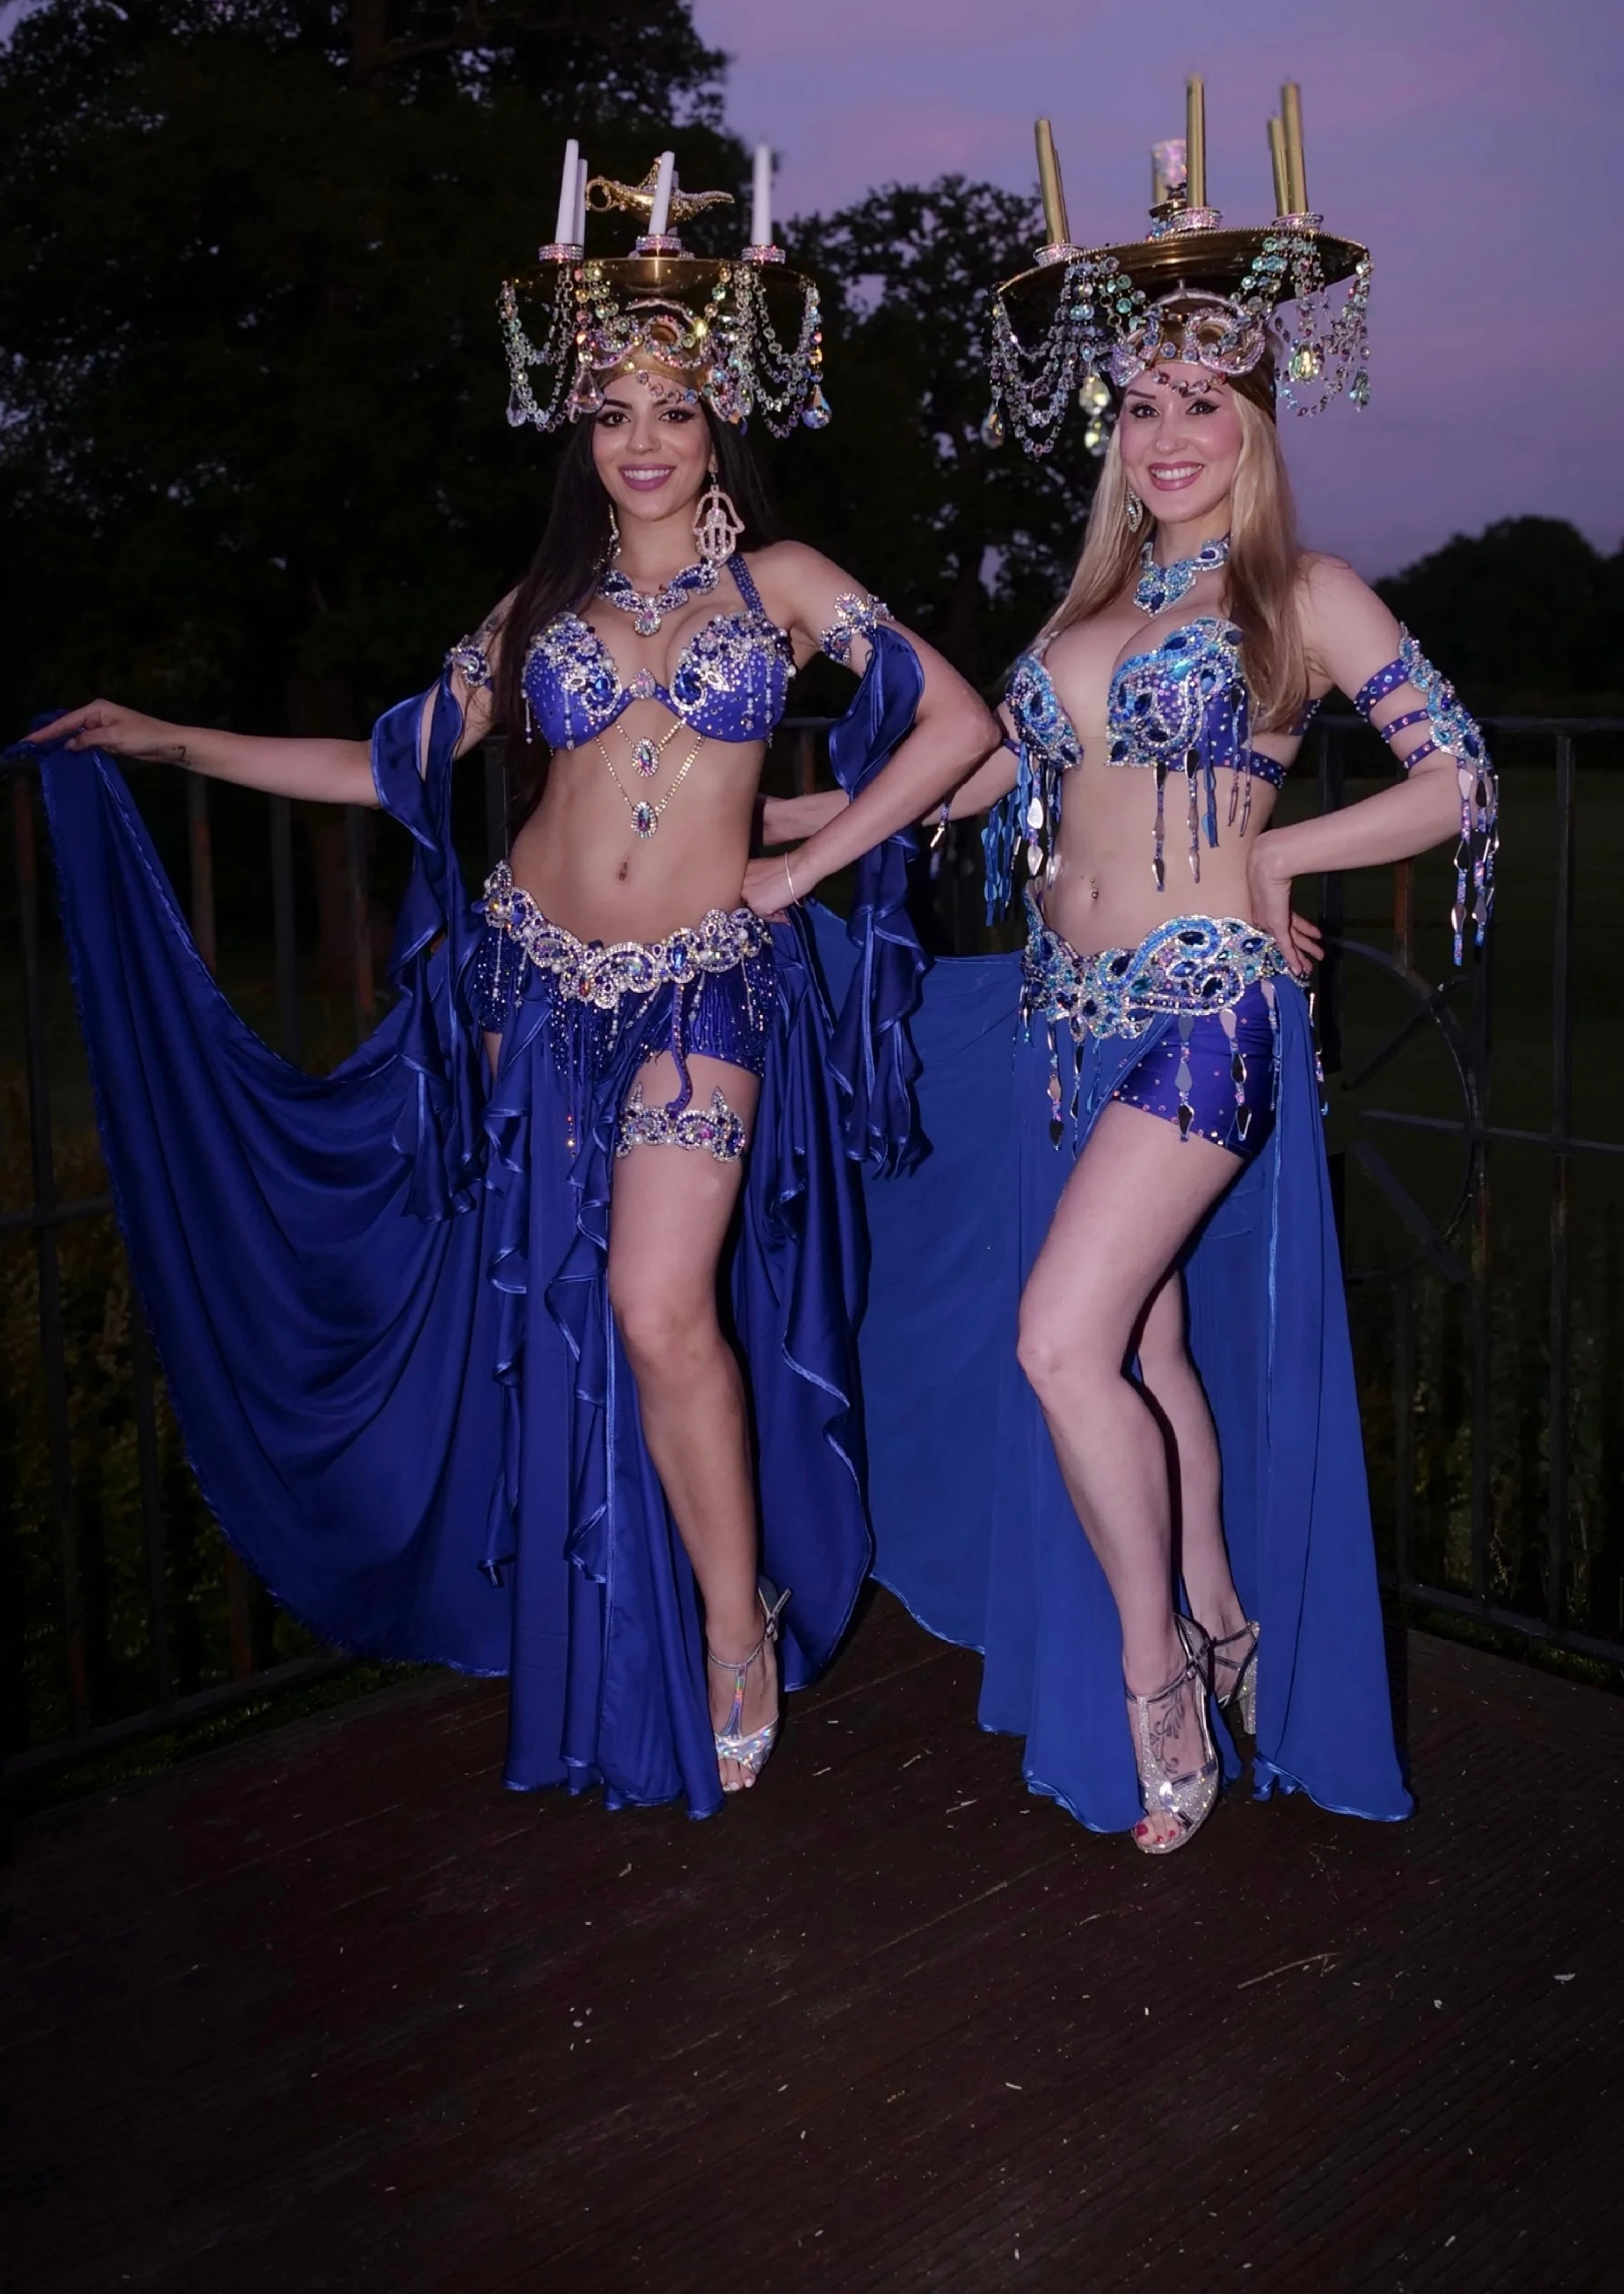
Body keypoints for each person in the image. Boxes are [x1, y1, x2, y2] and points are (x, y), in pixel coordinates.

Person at [22, 162, 997, 1813]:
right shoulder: (538, 602)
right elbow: (388, 760)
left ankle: (729, 1626)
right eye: (610, 405)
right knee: (546, 1312)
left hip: (706, 988)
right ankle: (585, 1604)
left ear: (718, 425)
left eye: (672, 406)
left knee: (655, 1304)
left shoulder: (790, 585)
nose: (638, 435)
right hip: (529, 984)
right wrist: (170, 736)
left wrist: (797, 863)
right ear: (577, 425)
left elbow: (959, 733)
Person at [783, 114, 1495, 1850]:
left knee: (1057, 1341)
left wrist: (1270, 865)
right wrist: (776, 827)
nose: (1168, 436)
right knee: (1148, 1343)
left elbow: (1453, 778)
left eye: (1205, 406)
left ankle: (1154, 1669)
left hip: (1204, 1013)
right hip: (1056, 1021)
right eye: (1145, 405)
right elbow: (978, 788)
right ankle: (1230, 1613)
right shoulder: (1078, 616)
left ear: (1252, 421)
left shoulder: (1303, 594)